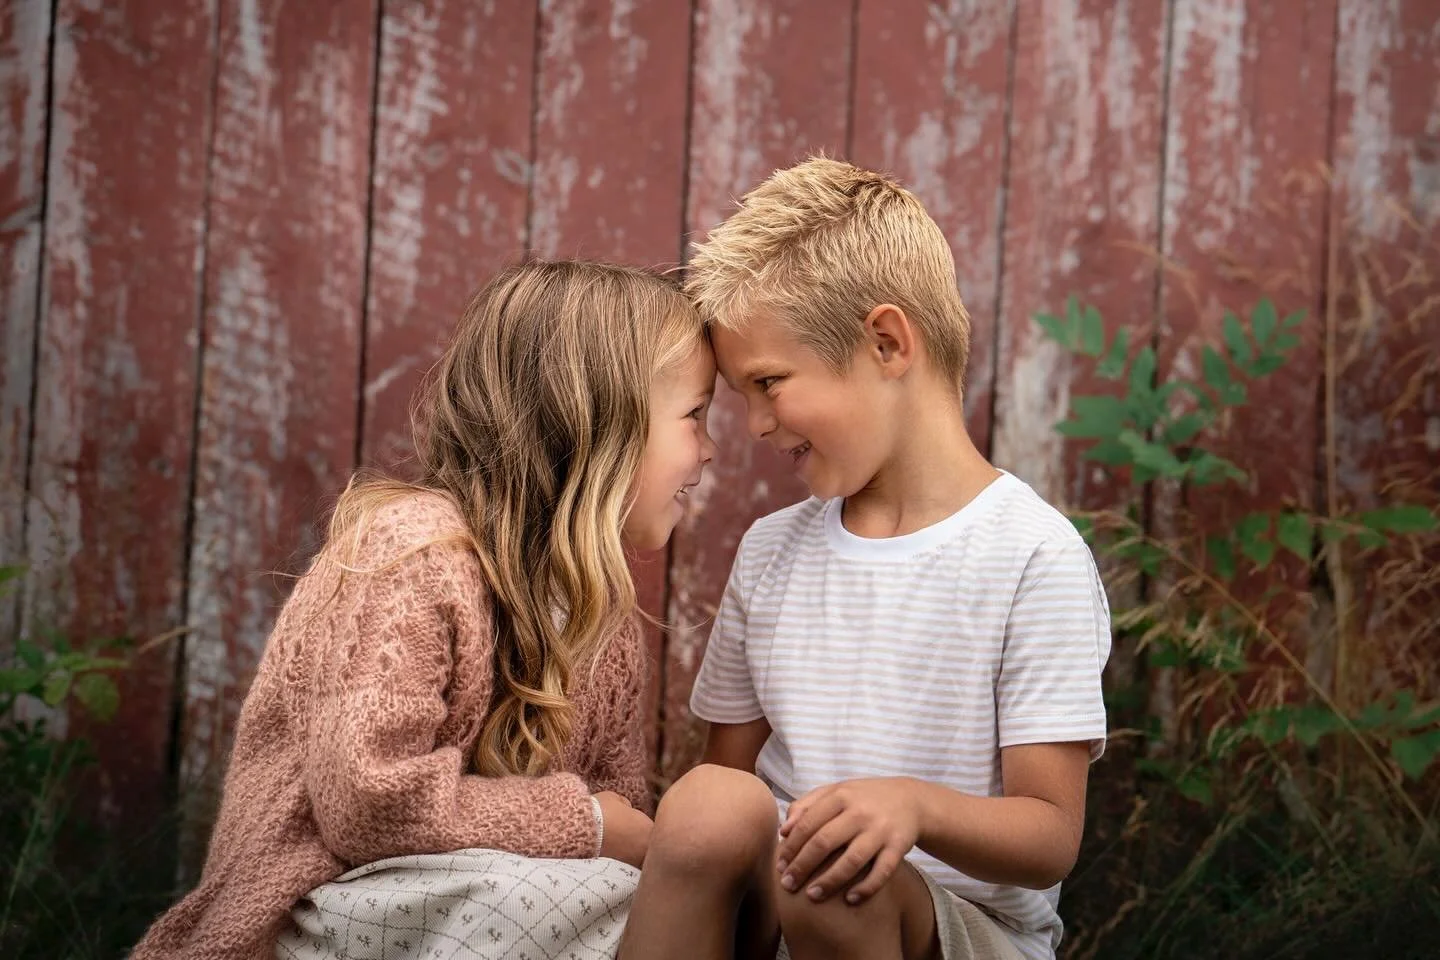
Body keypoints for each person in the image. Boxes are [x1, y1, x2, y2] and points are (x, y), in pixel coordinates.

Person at [133, 260, 717, 960]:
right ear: (596, 425)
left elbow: (620, 823)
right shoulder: (414, 556)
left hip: (478, 907)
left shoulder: (604, 619)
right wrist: (584, 822)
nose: (708, 450)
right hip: (321, 906)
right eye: (695, 416)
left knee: (644, 904)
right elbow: (368, 803)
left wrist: (617, 840)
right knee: (552, 901)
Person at [619, 158, 1111, 960]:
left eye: (770, 383)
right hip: (781, 911)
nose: (755, 425)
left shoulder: (1032, 556)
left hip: (959, 929)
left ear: (886, 342)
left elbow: (1050, 834)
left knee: (841, 885)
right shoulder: (773, 551)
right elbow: (734, 794)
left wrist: (915, 807)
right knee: (708, 802)